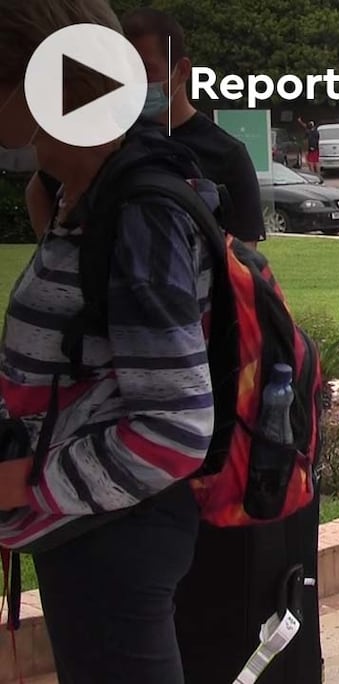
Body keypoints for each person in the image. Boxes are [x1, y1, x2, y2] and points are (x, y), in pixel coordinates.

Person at [0, 1, 218, 680]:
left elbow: (175, 427)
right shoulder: (85, 196)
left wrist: (15, 481)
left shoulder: (135, 215)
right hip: (87, 524)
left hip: (114, 537)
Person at [26, 8, 266, 249]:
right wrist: (54, 254)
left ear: (181, 71)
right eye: (124, 71)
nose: (133, 82)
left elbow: (245, 255)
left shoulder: (227, 154)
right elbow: (40, 187)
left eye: (145, 70)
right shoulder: (107, 140)